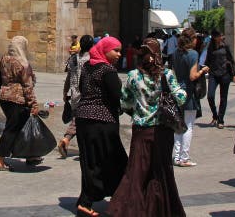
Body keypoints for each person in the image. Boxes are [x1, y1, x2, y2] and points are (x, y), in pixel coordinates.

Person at [109, 38, 187, 217]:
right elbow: (181, 97)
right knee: (161, 172)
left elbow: (125, 101)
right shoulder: (166, 75)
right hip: (162, 131)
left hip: (141, 131)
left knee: (137, 172)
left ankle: (130, 210)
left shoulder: (133, 76)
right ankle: (160, 210)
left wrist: (138, 106)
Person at [75, 36, 128, 217]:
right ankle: (119, 199)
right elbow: (116, 96)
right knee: (116, 160)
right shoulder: (108, 70)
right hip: (102, 121)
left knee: (90, 161)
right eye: (116, 50)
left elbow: (82, 90)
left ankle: (86, 201)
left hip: (83, 118)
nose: (119, 54)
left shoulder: (87, 67)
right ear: (105, 50)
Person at [0, 36, 40, 170]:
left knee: (23, 127)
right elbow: (27, 86)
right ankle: (0, 159)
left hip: (4, 97)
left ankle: (30, 155)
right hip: (18, 100)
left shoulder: (4, 59)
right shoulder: (23, 63)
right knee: (12, 129)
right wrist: (34, 105)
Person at [171, 27, 208, 167]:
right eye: (195, 38)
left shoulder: (175, 53)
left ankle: (177, 156)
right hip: (189, 94)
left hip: (177, 92)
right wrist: (203, 70)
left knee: (178, 126)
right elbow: (193, 76)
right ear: (191, 39)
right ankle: (184, 157)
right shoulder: (193, 54)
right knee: (188, 126)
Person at [58, 34, 95, 158]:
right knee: (84, 122)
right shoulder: (92, 59)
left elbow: (68, 77)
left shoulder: (73, 58)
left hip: (74, 95)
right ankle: (80, 147)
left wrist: (65, 92)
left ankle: (68, 141)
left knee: (77, 119)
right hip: (88, 95)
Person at [204, 30, 235, 128]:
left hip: (224, 74)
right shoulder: (210, 47)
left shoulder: (225, 47)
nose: (220, 37)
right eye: (218, 36)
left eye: (220, 35)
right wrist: (205, 67)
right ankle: (215, 115)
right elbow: (207, 60)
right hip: (213, 74)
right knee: (210, 95)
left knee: (223, 97)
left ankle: (220, 119)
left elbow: (231, 60)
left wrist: (234, 74)